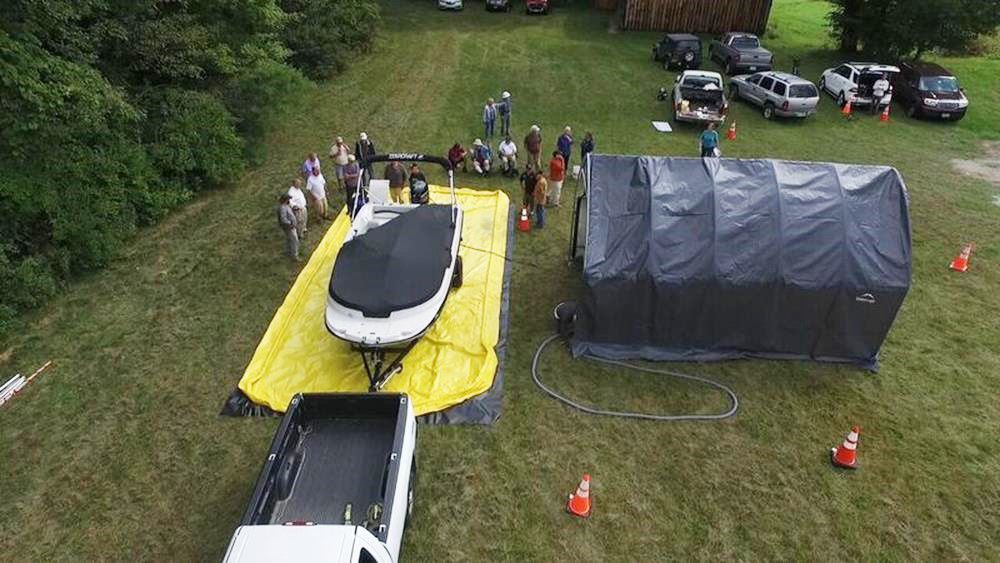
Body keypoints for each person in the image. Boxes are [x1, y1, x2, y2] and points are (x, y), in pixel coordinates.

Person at [277, 194, 299, 261]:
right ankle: (294, 256)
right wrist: (290, 223)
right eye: (288, 199)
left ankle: (288, 252)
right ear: (285, 200)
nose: (289, 200)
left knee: (289, 239)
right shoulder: (283, 208)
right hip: (289, 227)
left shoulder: (286, 206)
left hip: (291, 227)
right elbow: (283, 219)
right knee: (294, 240)